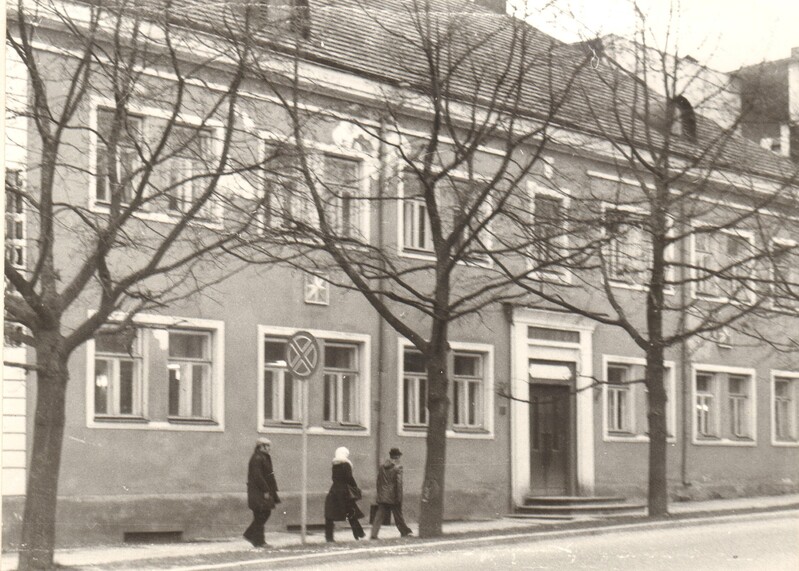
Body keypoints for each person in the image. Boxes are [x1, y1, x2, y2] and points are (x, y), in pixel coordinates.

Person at [243, 437, 281, 548]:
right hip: (258, 492)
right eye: (267, 446)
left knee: (261, 514)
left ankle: (255, 539)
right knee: (262, 514)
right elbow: (258, 476)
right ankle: (257, 540)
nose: (269, 448)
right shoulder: (257, 458)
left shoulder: (262, 457)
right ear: (261, 447)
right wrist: (265, 490)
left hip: (260, 491)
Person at [324, 446, 366, 542]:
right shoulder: (346, 464)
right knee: (351, 513)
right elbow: (349, 478)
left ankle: (329, 537)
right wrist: (355, 488)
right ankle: (358, 533)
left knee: (329, 515)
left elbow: (334, 479)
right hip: (344, 492)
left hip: (334, 491)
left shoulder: (334, 464)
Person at [370, 447, 413, 539]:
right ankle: (404, 532)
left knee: (379, 516)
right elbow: (399, 483)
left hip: (382, 495)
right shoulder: (398, 468)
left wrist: (379, 494)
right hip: (393, 496)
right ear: (397, 457)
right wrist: (399, 497)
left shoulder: (382, 467)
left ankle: (373, 534)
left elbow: (378, 481)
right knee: (398, 515)